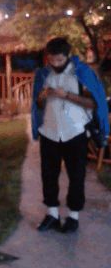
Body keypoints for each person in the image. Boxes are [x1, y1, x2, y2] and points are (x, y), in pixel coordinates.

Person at [32, 37, 109, 234]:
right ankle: (52, 214)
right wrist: (42, 97)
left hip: (75, 132)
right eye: (51, 60)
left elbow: (94, 103)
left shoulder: (81, 73)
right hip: (49, 132)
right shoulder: (43, 75)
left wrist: (66, 95)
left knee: (76, 176)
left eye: (59, 60)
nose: (55, 64)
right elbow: (38, 105)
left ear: (67, 56)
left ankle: (73, 216)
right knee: (48, 175)